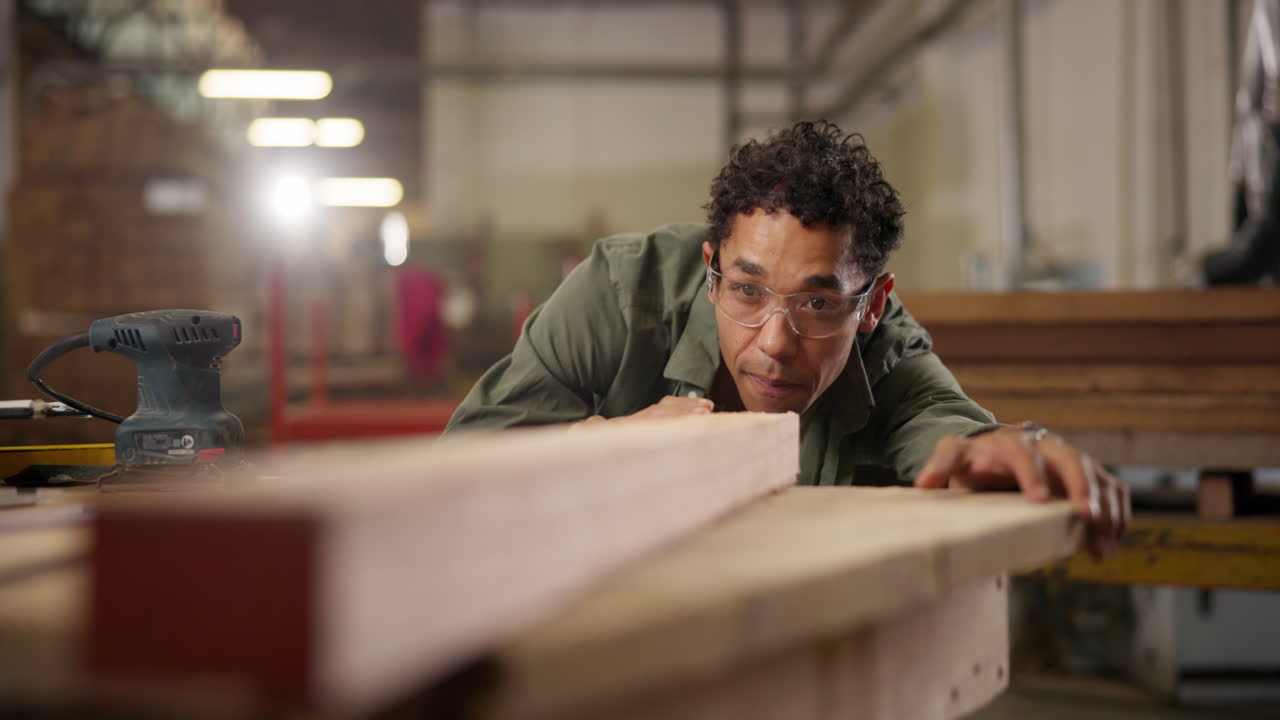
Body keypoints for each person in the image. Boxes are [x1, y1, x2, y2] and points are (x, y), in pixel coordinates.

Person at [446, 120, 1128, 557]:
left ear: (871, 306)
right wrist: (607, 446)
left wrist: (1017, 449)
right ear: (711, 271)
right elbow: (467, 454)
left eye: (815, 302)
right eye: (746, 291)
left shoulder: (887, 351)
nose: (774, 341)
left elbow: (948, 430)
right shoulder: (623, 292)